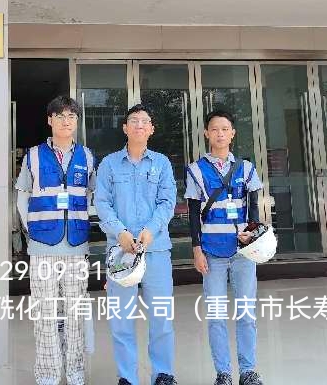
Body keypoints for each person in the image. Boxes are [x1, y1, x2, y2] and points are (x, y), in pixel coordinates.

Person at [14, 95, 97, 385]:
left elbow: (92, 195)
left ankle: (75, 373)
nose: (66, 121)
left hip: (76, 245)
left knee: (75, 314)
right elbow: (22, 196)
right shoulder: (34, 156)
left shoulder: (87, 156)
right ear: (50, 120)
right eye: (60, 116)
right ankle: (48, 375)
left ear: (77, 121)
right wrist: (32, 230)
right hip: (42, 247)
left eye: (71, 116)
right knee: (45, 313)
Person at [95, 103, 178, 385]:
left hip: (156, 250)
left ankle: (163, 373)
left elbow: (167, 202)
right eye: (133, 120)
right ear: (125, 128)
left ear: (151, 129)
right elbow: (102, 203)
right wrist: (119, 232)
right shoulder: (108, 164)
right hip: (120, 252)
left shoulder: (162, 163)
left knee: (161, 317)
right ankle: (127, 377)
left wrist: (151, 230)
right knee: (121, 319)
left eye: (144, 121)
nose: (139, 125)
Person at [185, 110, 265, 385]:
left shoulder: (247, 168)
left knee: (246, 313)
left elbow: (253, 208)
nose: (220, 133)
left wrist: (251, 234)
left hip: (243, 252)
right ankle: (223, 373)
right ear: (207, 134)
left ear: (232, 134)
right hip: (211, 252)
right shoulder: (196, 170)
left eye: (225, 129)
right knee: (216, 316)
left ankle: (248, 371)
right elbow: (193, 213)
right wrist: (196, 249)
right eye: (215, 129)